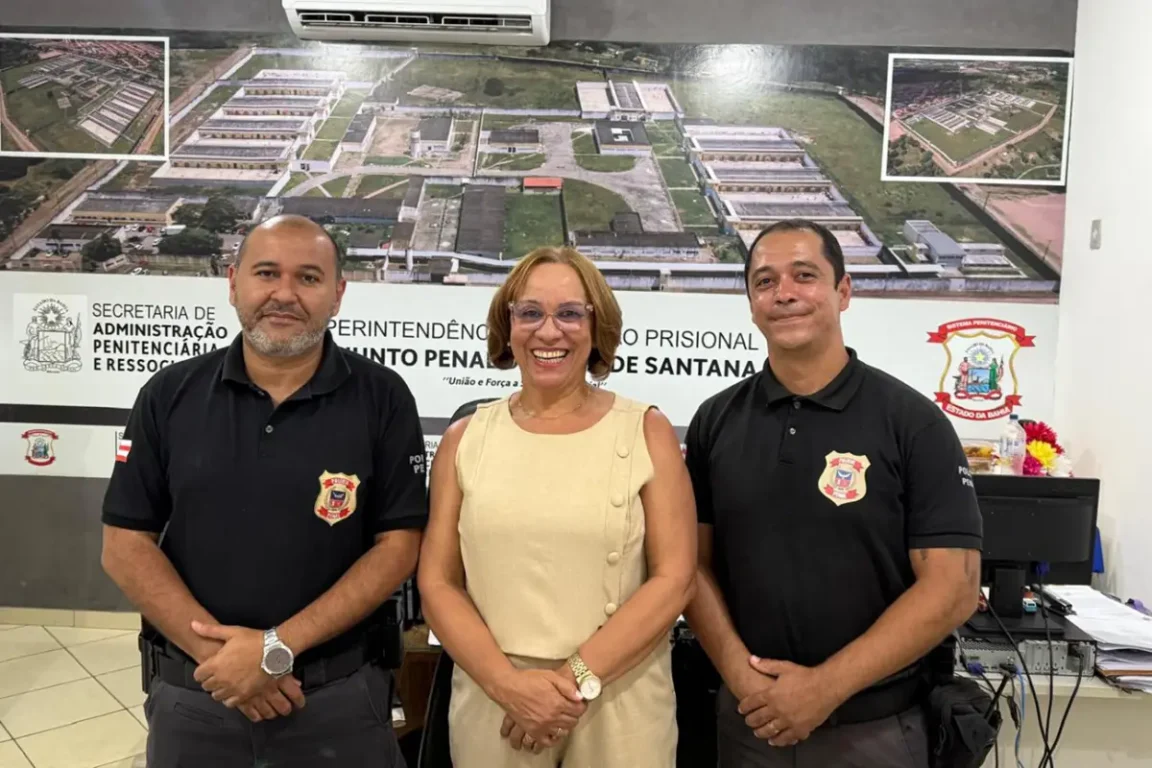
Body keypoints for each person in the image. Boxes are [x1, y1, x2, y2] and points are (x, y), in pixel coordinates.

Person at [101, 214, 428, 767]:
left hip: (335, 699)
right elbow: (125, 545)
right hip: (198, 694)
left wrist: (276, 650)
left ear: (338, 293)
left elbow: (398, 547)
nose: (284, 294)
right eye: (266, 273)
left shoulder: (383, 398)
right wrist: (228, 663)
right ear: (233, 283)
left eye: (308, 277)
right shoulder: (168, 394)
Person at [683, 219, 983, 768]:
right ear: (751, 302)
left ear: (844, 292)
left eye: (805, 275)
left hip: (876, 732)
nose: (785, 293)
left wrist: (824, 688)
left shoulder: (911, 422)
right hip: (751, 725)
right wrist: (740, 674)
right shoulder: (715, 421)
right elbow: (691, 566)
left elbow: (954, 587)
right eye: (765, 281)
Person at [418, 246, 697, 768]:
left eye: (570, 313)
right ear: (509, 325)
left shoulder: (646, 430)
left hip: (621, 695)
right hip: (496, 698)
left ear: (597, 326)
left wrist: (571, 683)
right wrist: (511, 687)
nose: (549, 332)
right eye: (530, 313)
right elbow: (436, 583)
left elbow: (676, 578)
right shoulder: (465, 438)